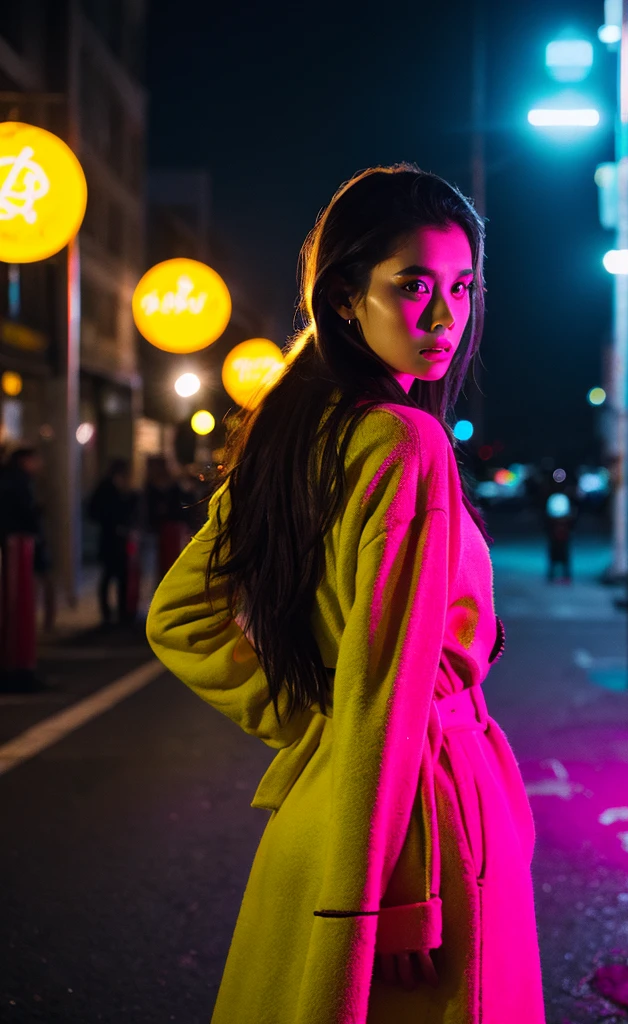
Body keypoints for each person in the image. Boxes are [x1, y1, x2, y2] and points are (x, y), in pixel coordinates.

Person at [147, 166, 545, 1024]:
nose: (445, 317)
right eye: (412, 287)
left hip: (342, 808)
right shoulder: (406, 444)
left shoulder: (298, 431)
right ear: (343, 300)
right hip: (415, 833)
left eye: (461, 287)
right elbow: (386, 689)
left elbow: (178, 616)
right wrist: (373, 907)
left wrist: (311, 728)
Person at [0, 446, 54, 630]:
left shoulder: (14, 479)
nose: (37, 464)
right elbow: (25, 511)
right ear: (24, 461)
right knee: (37, 580)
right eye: (34, 460)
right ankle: (31, 624)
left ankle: (26, 624)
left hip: (18, 539)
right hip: (24, 540)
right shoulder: (18, 481)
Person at [88, 459, 139, 624]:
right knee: (111, 575)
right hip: (111, 537)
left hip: (117, 538)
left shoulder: (120, 488)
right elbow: (96, 511)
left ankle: (119, 612)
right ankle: (111, 613)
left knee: (118, 575)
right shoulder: (107, 488)